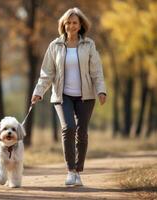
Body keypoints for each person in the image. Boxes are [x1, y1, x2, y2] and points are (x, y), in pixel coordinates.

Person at [31, 7, 106, 186]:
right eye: (68, 23)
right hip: (62, 95)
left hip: (86, 96)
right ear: (63, 25)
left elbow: (96, 71)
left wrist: (101, 90)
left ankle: (78, 171)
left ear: (80, 26)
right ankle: (70, 171)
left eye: (75, 23)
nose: (71, 26)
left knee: (82, 132)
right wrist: (38, 92)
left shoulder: (89, 45)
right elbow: (47, 73)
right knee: (68, 128)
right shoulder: (55, 46)